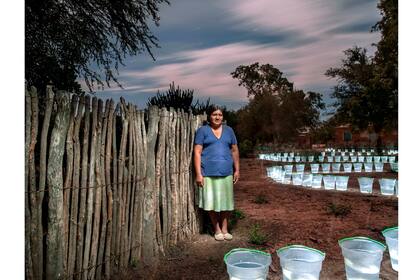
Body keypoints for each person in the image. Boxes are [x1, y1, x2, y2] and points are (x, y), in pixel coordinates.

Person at [193, 106, 240, 241]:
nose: (217, 117)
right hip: (208, 172)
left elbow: (235, 151)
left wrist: (237, 169)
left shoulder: (229, 131)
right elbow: (197, 152)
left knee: (226, 202)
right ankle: (217, 229)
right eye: (214, 114)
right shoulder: (203, 131)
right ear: (209, 116)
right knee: (210, 202)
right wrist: (198, 174)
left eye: (220, 114)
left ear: (223, 117)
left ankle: (225, 228)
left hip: (226, 172)